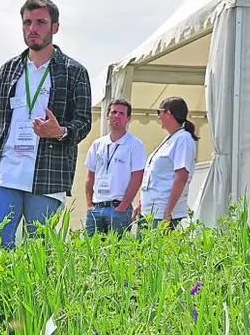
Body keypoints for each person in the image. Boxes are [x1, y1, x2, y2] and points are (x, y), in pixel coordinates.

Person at [0, 0, 92, 248]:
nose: (32, 28)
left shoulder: (74, 71)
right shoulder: (9, 69)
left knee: (37, 252)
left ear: (55, 27)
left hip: (47, 176)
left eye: (40, 22)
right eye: (27, 22)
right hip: (6, 173)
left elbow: (83, 122)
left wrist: (59, 132)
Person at [133, 96, 199, 230]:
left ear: (168, 113)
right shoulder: (171, 138)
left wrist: (168, 211)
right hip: (150, 210)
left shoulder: (183, 139)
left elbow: (182, 176)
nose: (158, 117)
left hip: (163, 212)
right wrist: (141, 203)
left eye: (159, 112)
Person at [84, 98, 145, 237]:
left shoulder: (135, 145)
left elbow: (137, 178)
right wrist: (89, 205)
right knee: (92, 253)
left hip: (118, 208)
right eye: (114, 112)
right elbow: (90, 176)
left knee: (116, 253)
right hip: (96, 207)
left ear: (128, 118)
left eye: (122, 114)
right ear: (107, 115)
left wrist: (124, 205)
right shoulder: (97, 144)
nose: (117, 116)